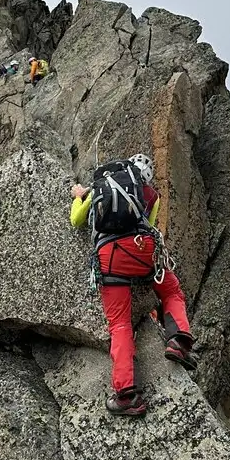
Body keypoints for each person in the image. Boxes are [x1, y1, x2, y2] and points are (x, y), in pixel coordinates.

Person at [69, 153, 196, 417]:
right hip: (143, 248)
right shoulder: (151, 196)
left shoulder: (103, 187)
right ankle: (179, 342)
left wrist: (79, 197)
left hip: (111, 255)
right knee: (171, 291)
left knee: (120, 323)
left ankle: (127, 394)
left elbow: (76, 220)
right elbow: (148, 225)